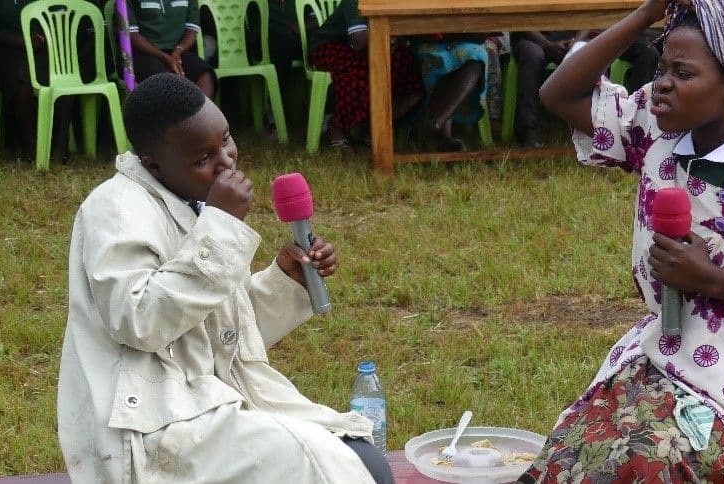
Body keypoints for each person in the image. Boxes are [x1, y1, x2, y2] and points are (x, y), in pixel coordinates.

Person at [57, 73, 393, 484]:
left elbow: (214, 333)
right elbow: (140, 321)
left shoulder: (187, 198)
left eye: (226, 140)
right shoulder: (114, 210)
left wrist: (285, 281)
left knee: (363, 457)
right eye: (203, 158)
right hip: (154, 425)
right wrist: (220, 226)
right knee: (333, 469)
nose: (226, 160)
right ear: (153, 165)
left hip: (211, 399)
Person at [521, 0, 724, 481]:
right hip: (663, 342)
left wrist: (721, 282)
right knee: (574, 457)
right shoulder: (656, 133)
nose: (662, 83)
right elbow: (558, 93)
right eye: (662, 66)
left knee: (644, 462)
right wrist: (647, 12)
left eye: (682, 73)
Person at [511, 30, 660, 148]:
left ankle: (604, 131)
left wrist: (577, 40)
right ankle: (527, 132)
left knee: (589, 56)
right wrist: (547, 43)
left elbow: (590, 14)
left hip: (574, 36)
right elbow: (517, 14)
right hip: (533, 38)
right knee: (532, 55)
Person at [309, 0, 423, 148]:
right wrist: (394, 36)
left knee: (406, 61)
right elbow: (359, 41)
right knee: (362, 70)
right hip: (329, 47)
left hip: (371, 45)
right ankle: (336, 129)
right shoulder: (353, 2)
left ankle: (373, 126)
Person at [0, 0, 74, 161]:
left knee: (62, 76)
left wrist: (46, 37)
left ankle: (60, 146)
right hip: (4, 50)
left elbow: (59, 21)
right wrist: (22, 42)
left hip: (42, 49)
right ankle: (30, 147)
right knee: (23, 77)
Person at [412, 35, 488, 151]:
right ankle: (442, 133)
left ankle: (436, 124)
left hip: (467, 41)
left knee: (477, 56)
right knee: (444, 61)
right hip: (430, 41)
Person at [127, 0, 216, 98]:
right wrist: (165, 57)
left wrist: (177, 52)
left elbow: (192, 30)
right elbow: (133, 36)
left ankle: (198, 113)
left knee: (205, 75)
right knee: (165, 79)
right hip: (145, 54)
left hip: (179, 51)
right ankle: (180, 112)